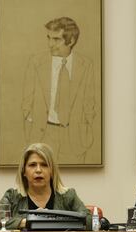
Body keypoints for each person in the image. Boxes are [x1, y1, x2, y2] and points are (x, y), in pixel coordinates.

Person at [22, 17, 96, 164]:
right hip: (43, 135)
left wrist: (85, 125)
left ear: (71, 40)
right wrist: (31, 127)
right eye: (49, 38)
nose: (50, 44)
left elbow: (90, 103)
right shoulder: (36, 62)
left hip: (75, 138)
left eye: (56, 39)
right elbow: (26, 102)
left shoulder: (86, 65)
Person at [0, 143, 91, 230]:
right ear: (24, 171)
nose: (38, 170)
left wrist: (55, 220)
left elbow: (90, 221)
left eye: (44, 165)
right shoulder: (13, 196)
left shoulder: (68, 196)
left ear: (51, 171)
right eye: (32, 165)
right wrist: (27, 222)